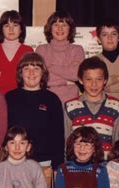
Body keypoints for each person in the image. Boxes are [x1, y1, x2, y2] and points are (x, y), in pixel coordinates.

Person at [5, 52, 65, 181]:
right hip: (13, 161)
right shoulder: (9, 98)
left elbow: (58, 135)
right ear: (21, 73)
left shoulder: (52, 99)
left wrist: (57, 166)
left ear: (43, 73)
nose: (31, 73)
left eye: (36, 68)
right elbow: (3, 132)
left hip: (44, 163)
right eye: (27, 69)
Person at [35, 10, 85, 139]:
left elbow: (75, 74)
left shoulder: (77, 49)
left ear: (70, 29)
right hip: (46, 102)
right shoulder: (41, 49)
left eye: (64, 25)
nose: (60, 28)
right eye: (56, 24)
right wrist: (65, 81)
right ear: (49, 28)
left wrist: (50, 67)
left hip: (70, 104)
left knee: (69, 140)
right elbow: (40, 78)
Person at [65, 56, 119, 157]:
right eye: (88, 79)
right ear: (80, 80)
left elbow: (118, 140)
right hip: (78, 165)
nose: (94, 84)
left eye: (99, 79)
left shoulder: (116, 106)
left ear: (105, 80)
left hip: (106, 166)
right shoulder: (70, 107)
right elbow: (66, 140)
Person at [0, 10, 33, 94]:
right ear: (1, 29)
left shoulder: (28, 51)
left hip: (21, 97)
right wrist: (14, 77)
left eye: (15, 25)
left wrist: (2, 75)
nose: (11, 29)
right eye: (7, 25)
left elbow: (30, 81)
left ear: (21, 29)